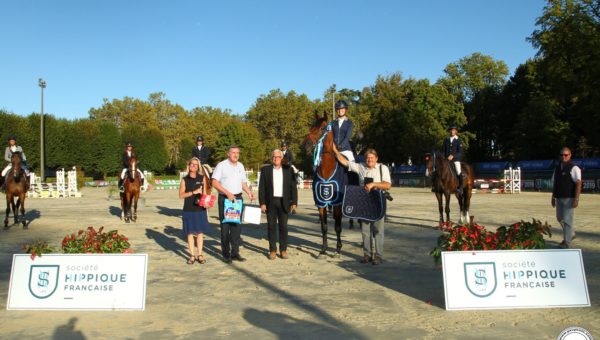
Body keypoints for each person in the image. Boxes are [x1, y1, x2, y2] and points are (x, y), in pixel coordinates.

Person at [332, 145, 391, 265]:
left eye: (372, 158)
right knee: (365, 230)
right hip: (364, 202)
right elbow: (344, 162)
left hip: (378, 201)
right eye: (368, 158)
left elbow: (387, 185)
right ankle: (367, 254)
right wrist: (334, 150)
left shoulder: (382, 168)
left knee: (378, 230)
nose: (370, 160)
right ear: (365, 159)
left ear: (376, 158)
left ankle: (378, 256)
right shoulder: (360, 167)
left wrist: (373, 184)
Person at [211, 145, 255, 263]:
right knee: (225, 228)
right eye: (233, 152)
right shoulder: (221, 165)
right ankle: (226, 254)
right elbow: (214, 182)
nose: (236, 155)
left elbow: (243, 182)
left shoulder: (240, 166)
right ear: (228, 153)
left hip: (238, 199)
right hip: (225, 199)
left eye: (238, 153)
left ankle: (235, 253)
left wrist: (249, 192)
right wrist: (227, 193)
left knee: (236, 228)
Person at [258, 149, 298, 260]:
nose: (276, 158)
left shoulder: (288, 170)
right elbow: (261, 188)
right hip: (270, 202)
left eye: (278, 157)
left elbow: (293, 187)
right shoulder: (265, 170)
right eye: (274, 157)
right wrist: (262, 203)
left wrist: (294, 202)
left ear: (282, 158)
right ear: (272, 158)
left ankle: (283, 250)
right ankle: (272, 250)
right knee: (271, 227)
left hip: (284, 202)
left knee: (283, 227)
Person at [178, 157, 210, 264]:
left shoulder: (202, 178)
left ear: (198, 167)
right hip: (188, 209)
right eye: (192, 164)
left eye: (195, 165)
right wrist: (193, 192)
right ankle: (192, 255)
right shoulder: (184, 179)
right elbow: (181, 195)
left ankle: (200, 254)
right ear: (189, 165)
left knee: (200, 233)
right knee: (190, 233)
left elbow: (205, 192)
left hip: (200, 208)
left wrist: (206, 202)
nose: (193, 166)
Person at [551, 147, 582, 249]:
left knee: (568, 220)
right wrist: (553, 197)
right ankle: (571, 233)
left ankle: (566, 242)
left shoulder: (574, 168)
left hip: (569, 198)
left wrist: (576, 199)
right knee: (560, 218)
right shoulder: (557, 168)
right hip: (559, 197)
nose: (563, 157)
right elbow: (555, 182)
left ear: (570, 155)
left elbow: (578, 183)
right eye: (561, 155)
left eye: (566, 155)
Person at [443, 124, 464, 194]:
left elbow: (460, 152)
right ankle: (436, 186)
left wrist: (453, 156)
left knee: (458, 171)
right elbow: (444, 151)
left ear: (456, 131)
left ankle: (461, 187)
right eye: (451, 130)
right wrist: (445, 158)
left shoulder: (458, 140)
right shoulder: (446, 140)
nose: (452, 131)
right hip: (447, 160)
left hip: (456, 160)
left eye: (454, 130)